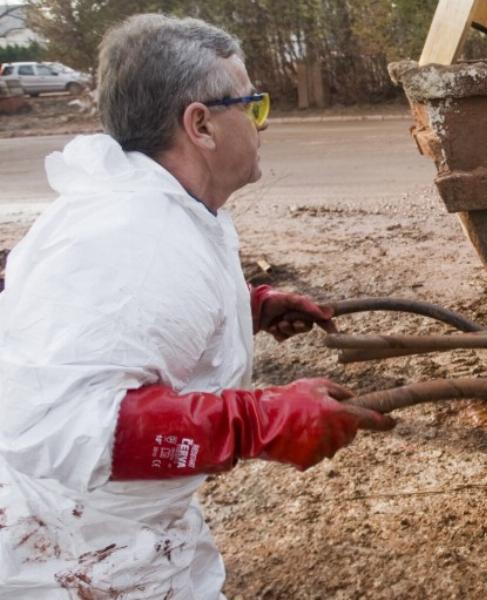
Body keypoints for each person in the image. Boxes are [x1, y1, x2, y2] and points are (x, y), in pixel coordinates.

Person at [0, 14, 394, 597]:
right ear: (201, 125)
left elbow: (112, 324)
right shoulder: (138, 239)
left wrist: (244, 307)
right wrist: (255, 420)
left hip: (112, 525)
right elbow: (60, 424)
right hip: (72, 550)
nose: (264, 125)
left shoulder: (152, 207)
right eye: (253, 106)